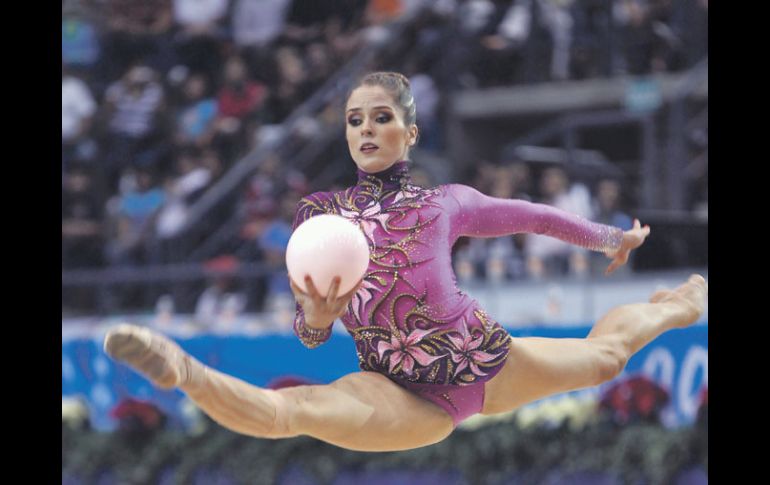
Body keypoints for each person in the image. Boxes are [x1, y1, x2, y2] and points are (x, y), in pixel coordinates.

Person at [104, 72, 707, 452]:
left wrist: (609, 238)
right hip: (394, 387)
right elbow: (309, 335)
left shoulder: (445, 204)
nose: (365, 129)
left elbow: (532, 216)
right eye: (354, 120)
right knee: (298, 411)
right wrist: (315, 319)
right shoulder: (318, 215)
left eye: (381, 117)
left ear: (411, 133)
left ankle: (677, 307)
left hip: (479, 361)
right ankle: (181, 372)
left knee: (605, 358)